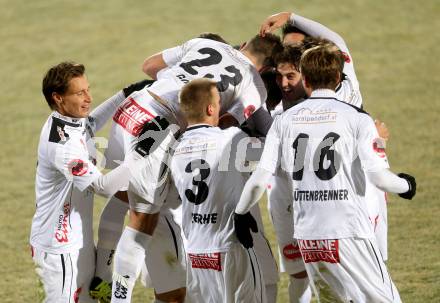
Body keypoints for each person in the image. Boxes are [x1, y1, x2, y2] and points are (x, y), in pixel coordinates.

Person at [104, 34, 282, 303]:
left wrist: (180, 86)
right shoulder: (255, 86)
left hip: (131, 110)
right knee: (143, 221)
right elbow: (223, 124)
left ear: (244, 45)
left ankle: (102, 270)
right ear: (268, 67)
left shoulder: (206, 44)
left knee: (124, 198)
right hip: (159, 128)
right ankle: (119, 298)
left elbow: (150, 67)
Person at [234, 44, 416, 302]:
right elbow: (379, 178)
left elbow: (259, 180)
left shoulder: (283, 122)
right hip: (348, 230)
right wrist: (407, 185)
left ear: (305, 80)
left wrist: (240, 214)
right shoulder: (356, 118)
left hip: (308, 235)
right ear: (338, 79)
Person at [261, 11, 391, 262]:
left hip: (359, 191)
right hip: (316, 200)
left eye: (299, 49)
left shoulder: (341, 84)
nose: (292, 55)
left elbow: (338, 42)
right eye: (287, 49)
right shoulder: (282, 107)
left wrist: (291, 16)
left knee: (373, 262)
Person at [30, 62, 148, 302]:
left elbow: (91, 123)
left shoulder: (70, 122)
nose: (89, 98)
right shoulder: (62, 146)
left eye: (88, 89)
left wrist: (126, 92)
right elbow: (103, 187)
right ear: (58, 98)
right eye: (79, 93)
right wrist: (141, 155)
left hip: (78, 241)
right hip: (59, 248)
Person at [170, 78, 266, 302]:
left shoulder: (175, 148)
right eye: (219, 101)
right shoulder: (231, 139)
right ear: (211, 108)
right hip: (230, 246)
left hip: (195, 252)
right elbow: (272, 155)